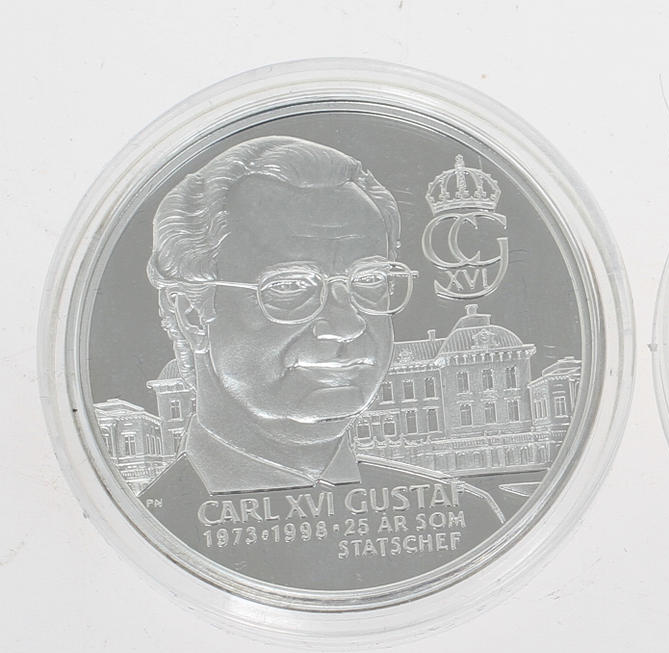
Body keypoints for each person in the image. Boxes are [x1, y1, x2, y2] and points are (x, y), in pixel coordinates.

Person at [138, 136, 503, 588]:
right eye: (289, 286)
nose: (346, 324)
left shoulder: (468, 523)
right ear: (191, 313)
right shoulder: (143, 538)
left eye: (370, 279)